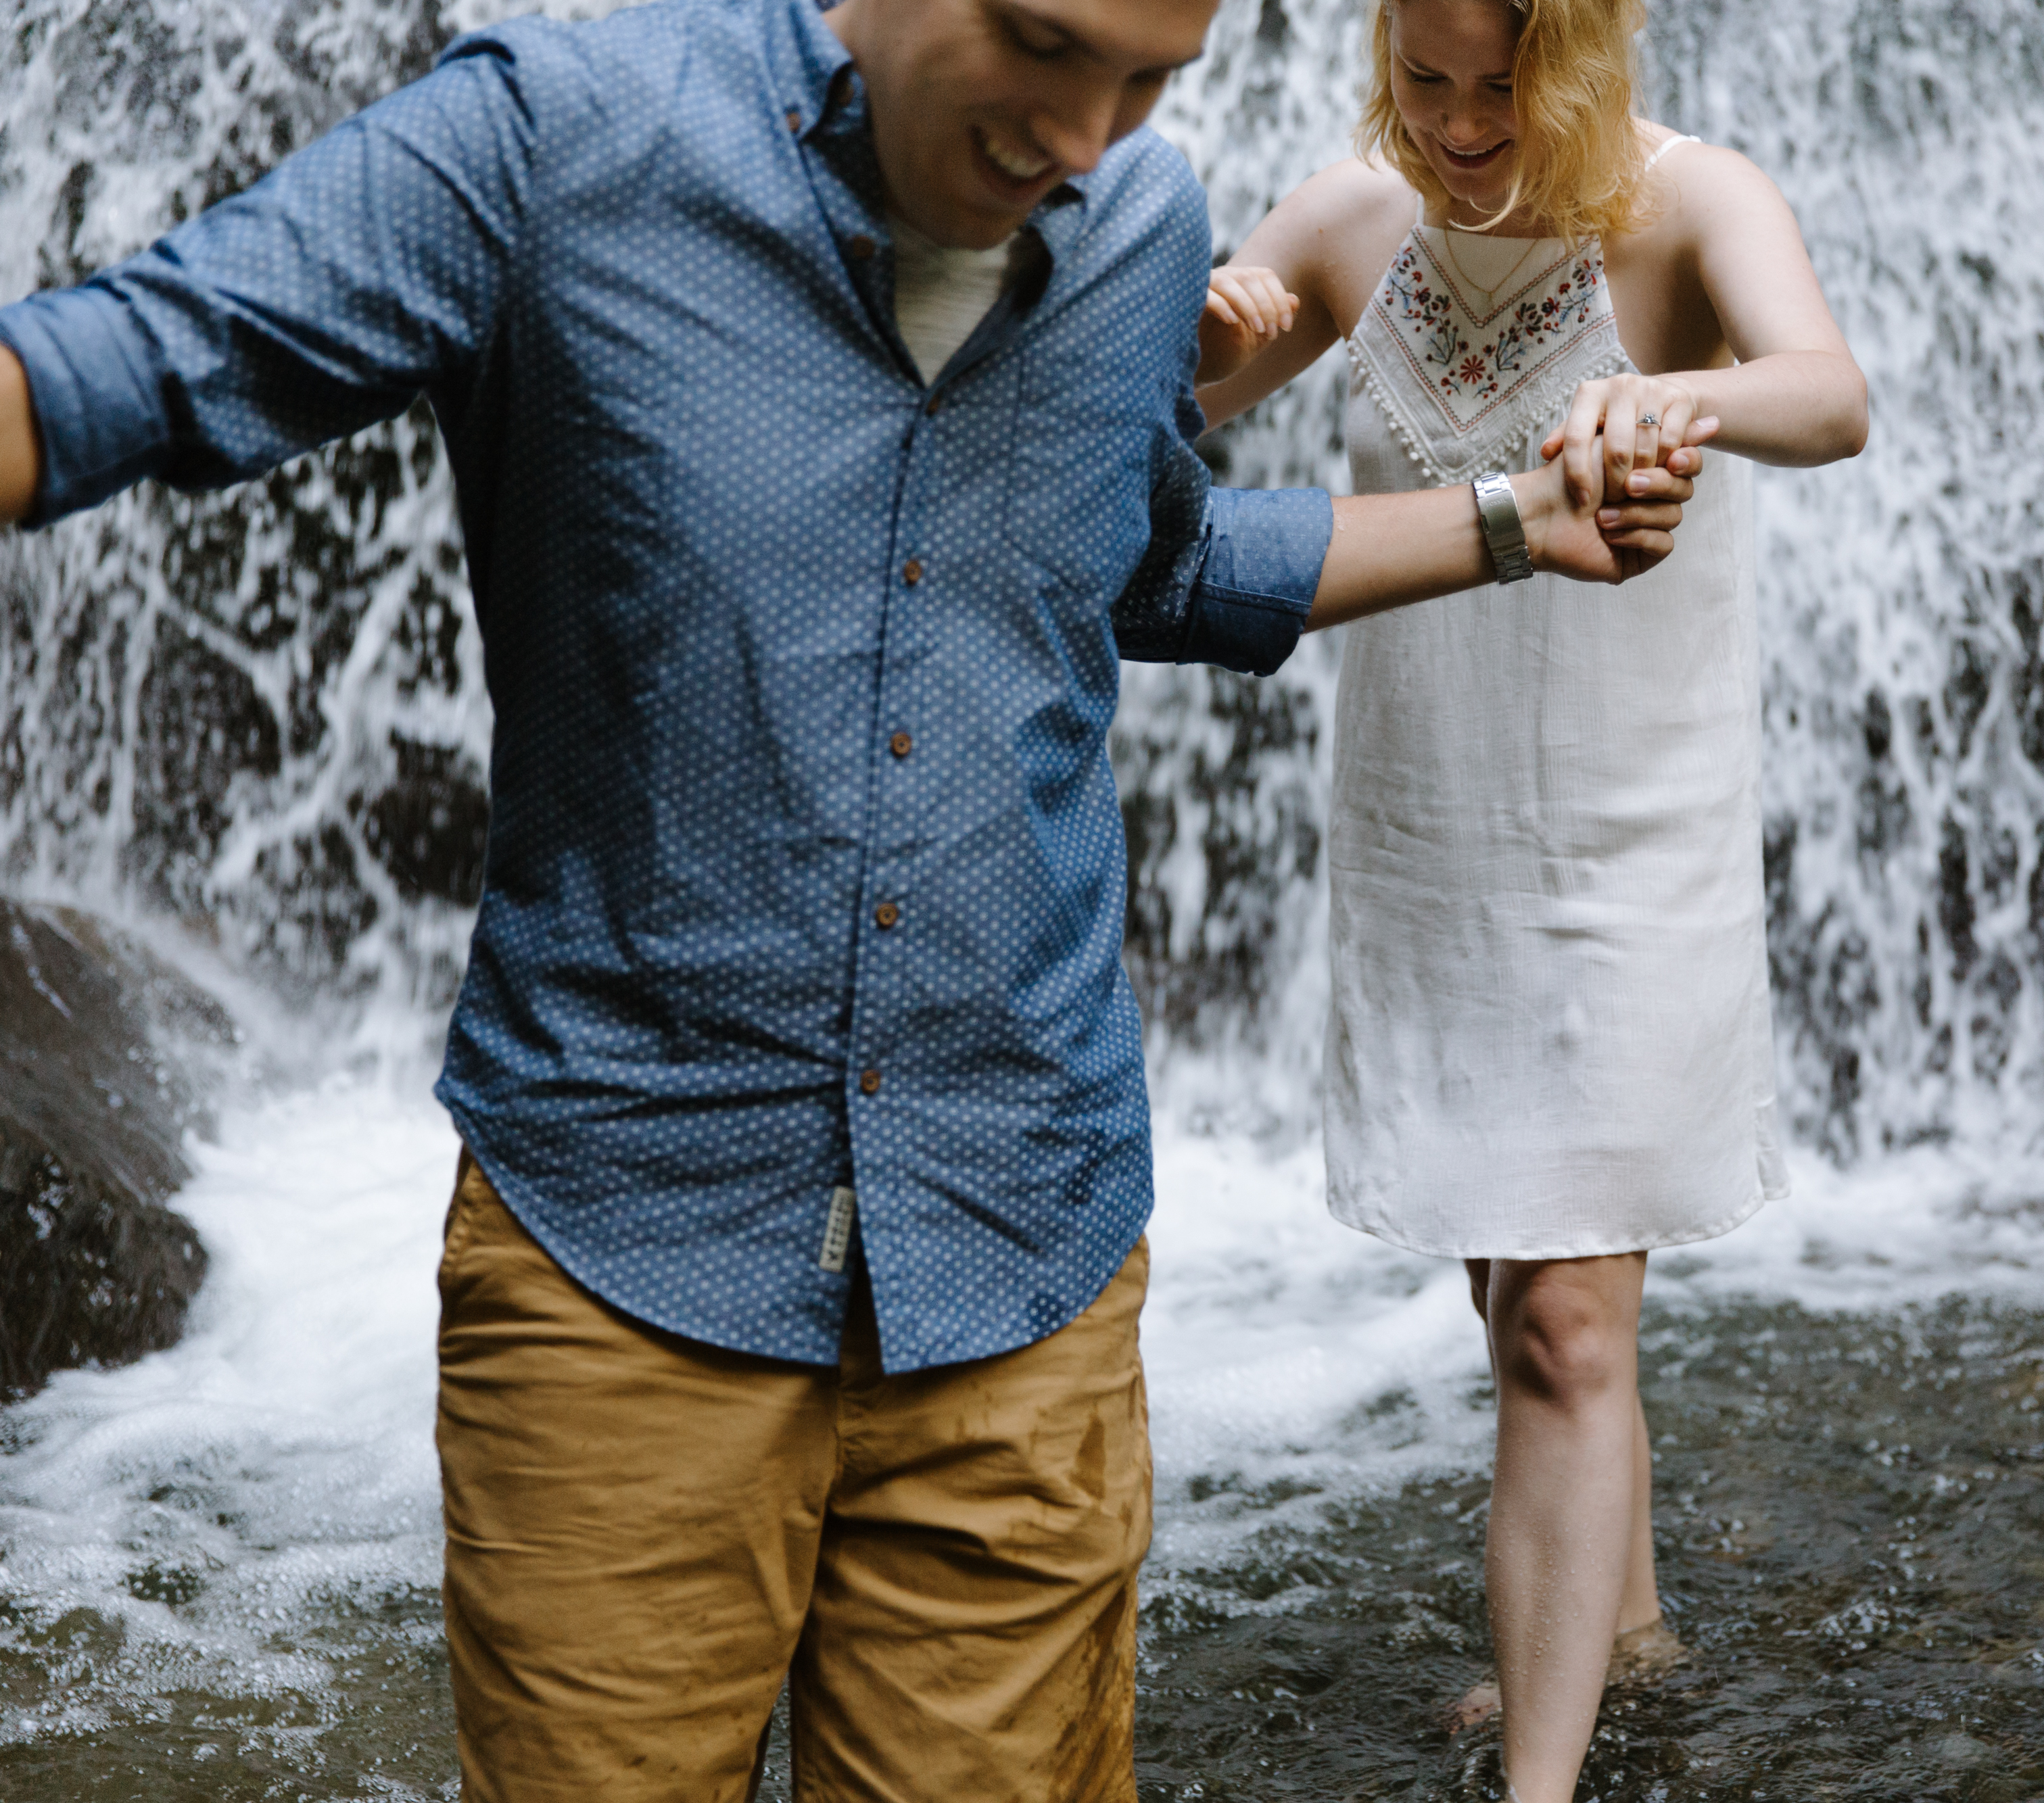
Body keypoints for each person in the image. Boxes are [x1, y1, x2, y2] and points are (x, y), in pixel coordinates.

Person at [0, 0, 1716, 1795]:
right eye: (1049, 50)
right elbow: (126, 364)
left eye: (1150, 81)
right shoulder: (559, 139)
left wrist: (1523, 521)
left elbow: (1142, 552)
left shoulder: (1137, 220)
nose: (1087, 133)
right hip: (626, 1268)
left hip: (1022, 1269)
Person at [1192, 0, 1868, 1795]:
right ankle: (1621, 1617)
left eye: (1507, 86)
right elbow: (1135, 435)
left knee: (1572, 1321)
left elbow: (1831, 393)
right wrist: (1196, 329)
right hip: (1439, 833)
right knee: (1524, 1294)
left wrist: (1684, 392)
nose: (1467, 122)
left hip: (1632, 845)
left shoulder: (1693, 203)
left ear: (1581, 63)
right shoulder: (1348, 221)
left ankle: (1543, 1777)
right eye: (1430, 80)